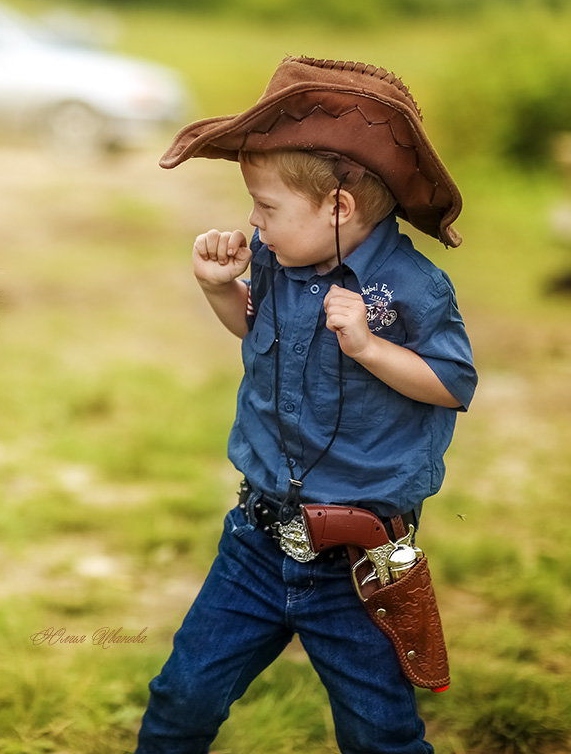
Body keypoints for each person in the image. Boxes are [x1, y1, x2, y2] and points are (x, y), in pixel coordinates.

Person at [134, 57, 477, 754]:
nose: (253, 226)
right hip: (255, 544)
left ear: (338, 208)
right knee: (182, 697)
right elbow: (253, 330)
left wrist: (371, 349)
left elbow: (453, 384)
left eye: (267, 208)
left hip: (359, 561)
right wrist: (218, 288)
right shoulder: (274, 262)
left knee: (380, 733)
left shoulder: (411, 289)